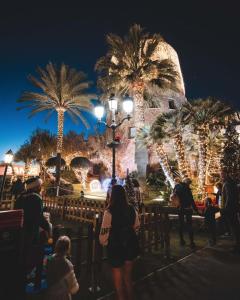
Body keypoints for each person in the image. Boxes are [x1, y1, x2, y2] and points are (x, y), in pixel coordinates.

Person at [99, 185, 140, 300]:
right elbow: (137, 226)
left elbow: (104, 232)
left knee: (118, 280)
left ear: (112, 196)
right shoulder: (132, 209)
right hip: (130, 245)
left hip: (115, 247)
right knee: (128, 278)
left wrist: (105, 242)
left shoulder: (109, 212)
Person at [15, 176, 50, 290]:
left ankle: (20, 280)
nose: (41, 187)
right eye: (40, 185)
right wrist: (48, 226)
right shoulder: (36, 198)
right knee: (34, 255)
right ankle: (34, 282)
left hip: (20, 230)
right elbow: (38, 217)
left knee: (22, 255)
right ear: (36, 187)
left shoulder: (21, 197)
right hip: (32, 231)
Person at [46, 236, 79, 300]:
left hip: (50, 295)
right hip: (63, 296)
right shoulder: (67, 265)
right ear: (67, 248)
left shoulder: (49, 259)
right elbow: (73, 288)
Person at [174, 177, 198, 248]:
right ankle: (191, 242)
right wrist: (196, 209)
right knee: (189, 225)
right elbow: (191, 200)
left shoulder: (177, 187)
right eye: (189, 183)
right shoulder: (187, 189)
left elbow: (174, 196)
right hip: (187, 208)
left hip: (180, 208)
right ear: (187, 183)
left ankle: (181, 240)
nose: (189, 185)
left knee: (180, 224)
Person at [221, 170, 240, 252]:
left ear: (226, 174)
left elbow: (229, 197)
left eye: (222, 174)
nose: (221, 176)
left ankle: (237, 245)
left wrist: (225, 208)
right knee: (235, 226)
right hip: (233, 208)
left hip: (230, 209)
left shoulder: (227, 183)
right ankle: (237, 244)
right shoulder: (231, 183)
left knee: (233, 227)